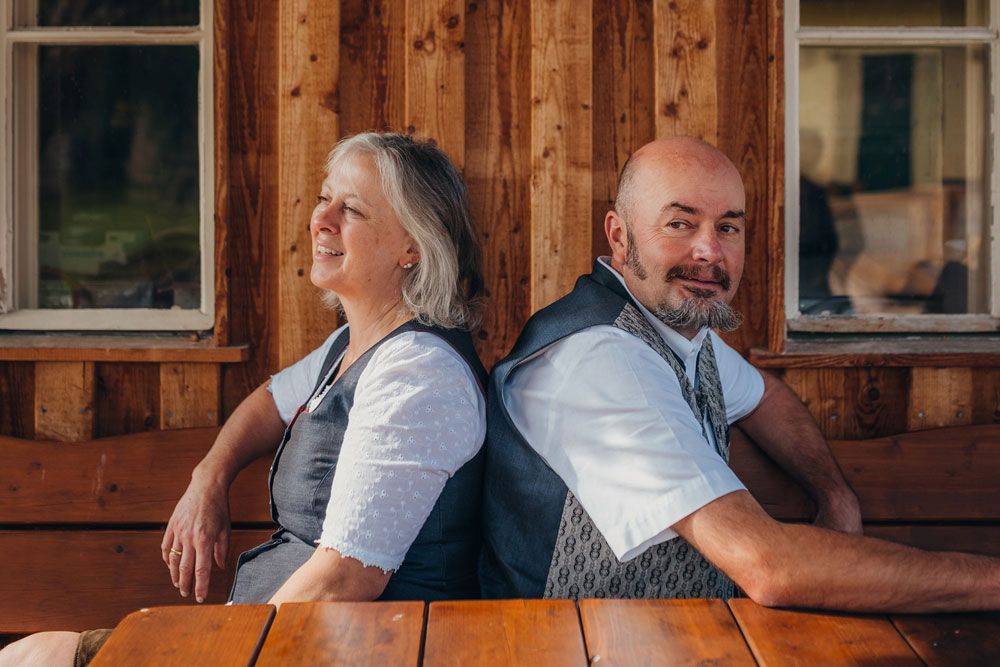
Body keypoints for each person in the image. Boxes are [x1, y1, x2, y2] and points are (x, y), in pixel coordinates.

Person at [1, 132, 488, 666]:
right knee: (32, 655)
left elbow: (344, 578)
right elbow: (271, 401)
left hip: (341, 651)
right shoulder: (353, 346)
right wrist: (209, 478)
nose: (321, 220)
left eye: (351, 210)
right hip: (273, 640)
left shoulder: (418, 372)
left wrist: (220, 649)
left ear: (412, 246)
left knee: (39, 658)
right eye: (324, 199)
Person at [480, 136, 1000, 611]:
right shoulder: (597, 358)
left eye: (727, 227)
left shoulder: (679, 333)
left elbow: (763, 395)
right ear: (620, 236)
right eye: (680, 224)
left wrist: (834, 494)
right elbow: (768, 566)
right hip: (571, 646)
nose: (710, 251)